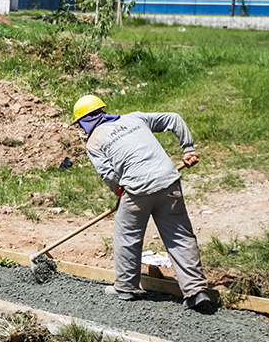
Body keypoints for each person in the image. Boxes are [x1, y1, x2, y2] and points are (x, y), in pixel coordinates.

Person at [72, 94, 211, 311]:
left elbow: (108, 175)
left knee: (127, 235)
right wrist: (188, 149)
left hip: (137, 190)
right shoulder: (135, 118)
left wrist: (120, 194)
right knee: (180, 235)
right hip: (168, 181)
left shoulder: (94, 142)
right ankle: (196, 291)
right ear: (102, 110)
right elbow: (173, 118)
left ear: (83, 122)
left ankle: (125, 288)